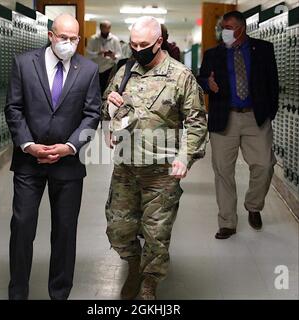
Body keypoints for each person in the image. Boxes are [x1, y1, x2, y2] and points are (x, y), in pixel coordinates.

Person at [101, 16, 207, 300]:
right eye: (133, 44)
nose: (138, 49)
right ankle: (133, 265)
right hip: (125, 167)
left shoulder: (181, 76)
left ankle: (149, 281)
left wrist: (185, 157)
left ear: (159, 41)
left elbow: (197, 122)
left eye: (144, 44)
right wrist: (110, 111)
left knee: (156, 234)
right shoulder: (124, 71)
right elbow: (106, 107)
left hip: (161, 171)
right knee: (118, 229)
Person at [5, 14, 100, 299]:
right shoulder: (24, 63)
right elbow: (14, 108)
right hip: (28, 161)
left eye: (74, 39)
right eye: (63, 38)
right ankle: (18, 292)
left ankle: (59, 293)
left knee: (65, 231)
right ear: (50, 36)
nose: (68, 44)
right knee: (22, 228)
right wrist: (27, 145)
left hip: (68, 164)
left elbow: (92, 113)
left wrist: (70, 147)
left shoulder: (89, 69)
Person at [197, 11, 278, 239]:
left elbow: (273, 82)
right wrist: (207, 83)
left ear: (241, 28)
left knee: (264, 164)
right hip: (225, 117)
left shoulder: (263, 49)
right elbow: (202, 78)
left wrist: (269, 113)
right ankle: (227, 222)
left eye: (229, 26)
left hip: (255, 117)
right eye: (223, 26)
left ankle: (253, 206)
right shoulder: (213, 54)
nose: (225, 31)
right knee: (223, 171)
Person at [86, 20, 122, 96]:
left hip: (109, 68)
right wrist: (98, 53)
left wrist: (113, 56)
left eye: (108, 27)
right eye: (104, 27)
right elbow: (87, 55)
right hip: (95, 68)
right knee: (94, 90)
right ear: (100, 28)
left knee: (107, 88)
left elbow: (119, 55)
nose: (106, 29)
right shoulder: (93, 39)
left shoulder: (114, 39)